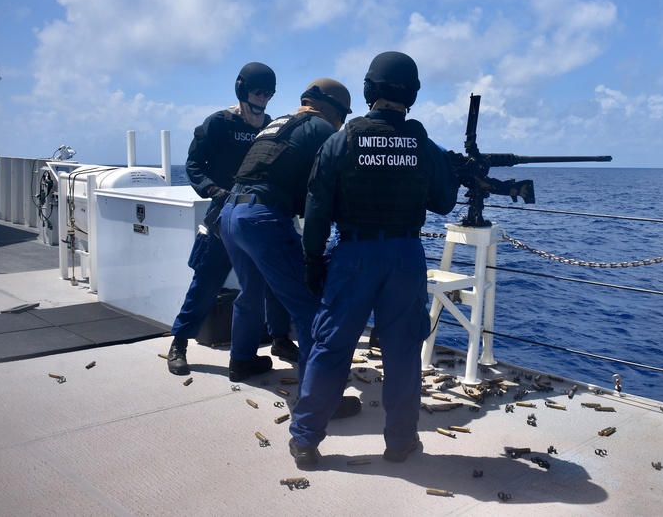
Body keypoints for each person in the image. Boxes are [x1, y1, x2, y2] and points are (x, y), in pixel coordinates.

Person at [288, 52, 459, 468]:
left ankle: (306, 440)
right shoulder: (423, 143)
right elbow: (443, 202)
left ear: (369, 91)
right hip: (405, 255)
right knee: (402, 351)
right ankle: (401, 442)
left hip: (353, 255)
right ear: (412, 94)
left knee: (331, 346)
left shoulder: (340, 140)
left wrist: (313, 259)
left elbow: (317, 207)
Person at [219, 77, 359, 407]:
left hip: (230, 214)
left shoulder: (280, 122)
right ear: (332, 111)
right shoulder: (323, 129)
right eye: (343, 118)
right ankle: (320, 399)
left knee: (250, 292)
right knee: (311, 309)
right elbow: (333, 186)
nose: (342, 125)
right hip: (262, 219)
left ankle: (242, 361)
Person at [165, 62, 297, 375]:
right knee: (207, 281)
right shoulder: (219, 123)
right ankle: (179, 342)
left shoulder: (274, 127)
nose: (263, 97)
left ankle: (280, 338)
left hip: (260, 216)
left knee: (275, 281)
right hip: (223, 213)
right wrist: (214, 190)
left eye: (269, 92)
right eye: (258, 90)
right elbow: (194, 164)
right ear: (242, 89)